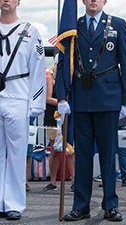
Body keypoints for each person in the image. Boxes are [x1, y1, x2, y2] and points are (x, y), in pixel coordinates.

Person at [58, 0, 126, 222]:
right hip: (81, 99)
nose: (93, 0)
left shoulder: (117, 25)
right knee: (82, 155)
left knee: (109, 155)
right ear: (83, 1)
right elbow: (63, 63)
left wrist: (125, 99)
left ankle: (110, 205)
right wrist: (61, 96)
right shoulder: (73, 26)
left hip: (109, 99)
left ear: (104, 1)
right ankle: (81, 205)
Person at [0, 0, 47, 221]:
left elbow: (38, 68)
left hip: (18, 97)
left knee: (18, 152)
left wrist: (36, 103)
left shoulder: (30, 31)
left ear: (18, 1)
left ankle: (15, 204)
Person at [44, 63, 75, 193]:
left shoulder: (71, 79)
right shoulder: (50, 78)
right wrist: (62, 102)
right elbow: (47, 98)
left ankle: (74, 181)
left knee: (72, 150)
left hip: (69, 117)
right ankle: (52, 181)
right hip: (54, 117)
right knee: (55, 151)